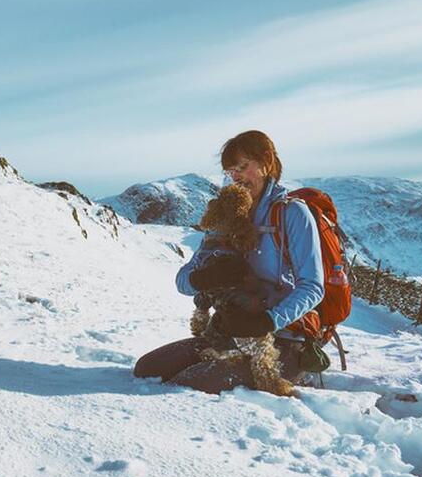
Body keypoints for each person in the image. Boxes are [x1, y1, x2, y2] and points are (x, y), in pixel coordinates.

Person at [133, 130, 324, 394]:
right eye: (230, 171)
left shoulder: (291, 213)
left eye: (242, 167)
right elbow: (183, 279)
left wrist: (267, 321)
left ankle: (290, 371)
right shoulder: (229, 213)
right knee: (147, 369)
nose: (235, 177)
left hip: (280, 338)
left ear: (265, 162)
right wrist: (204, 279)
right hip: (227, 332)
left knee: (186, 385)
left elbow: (313, 287)